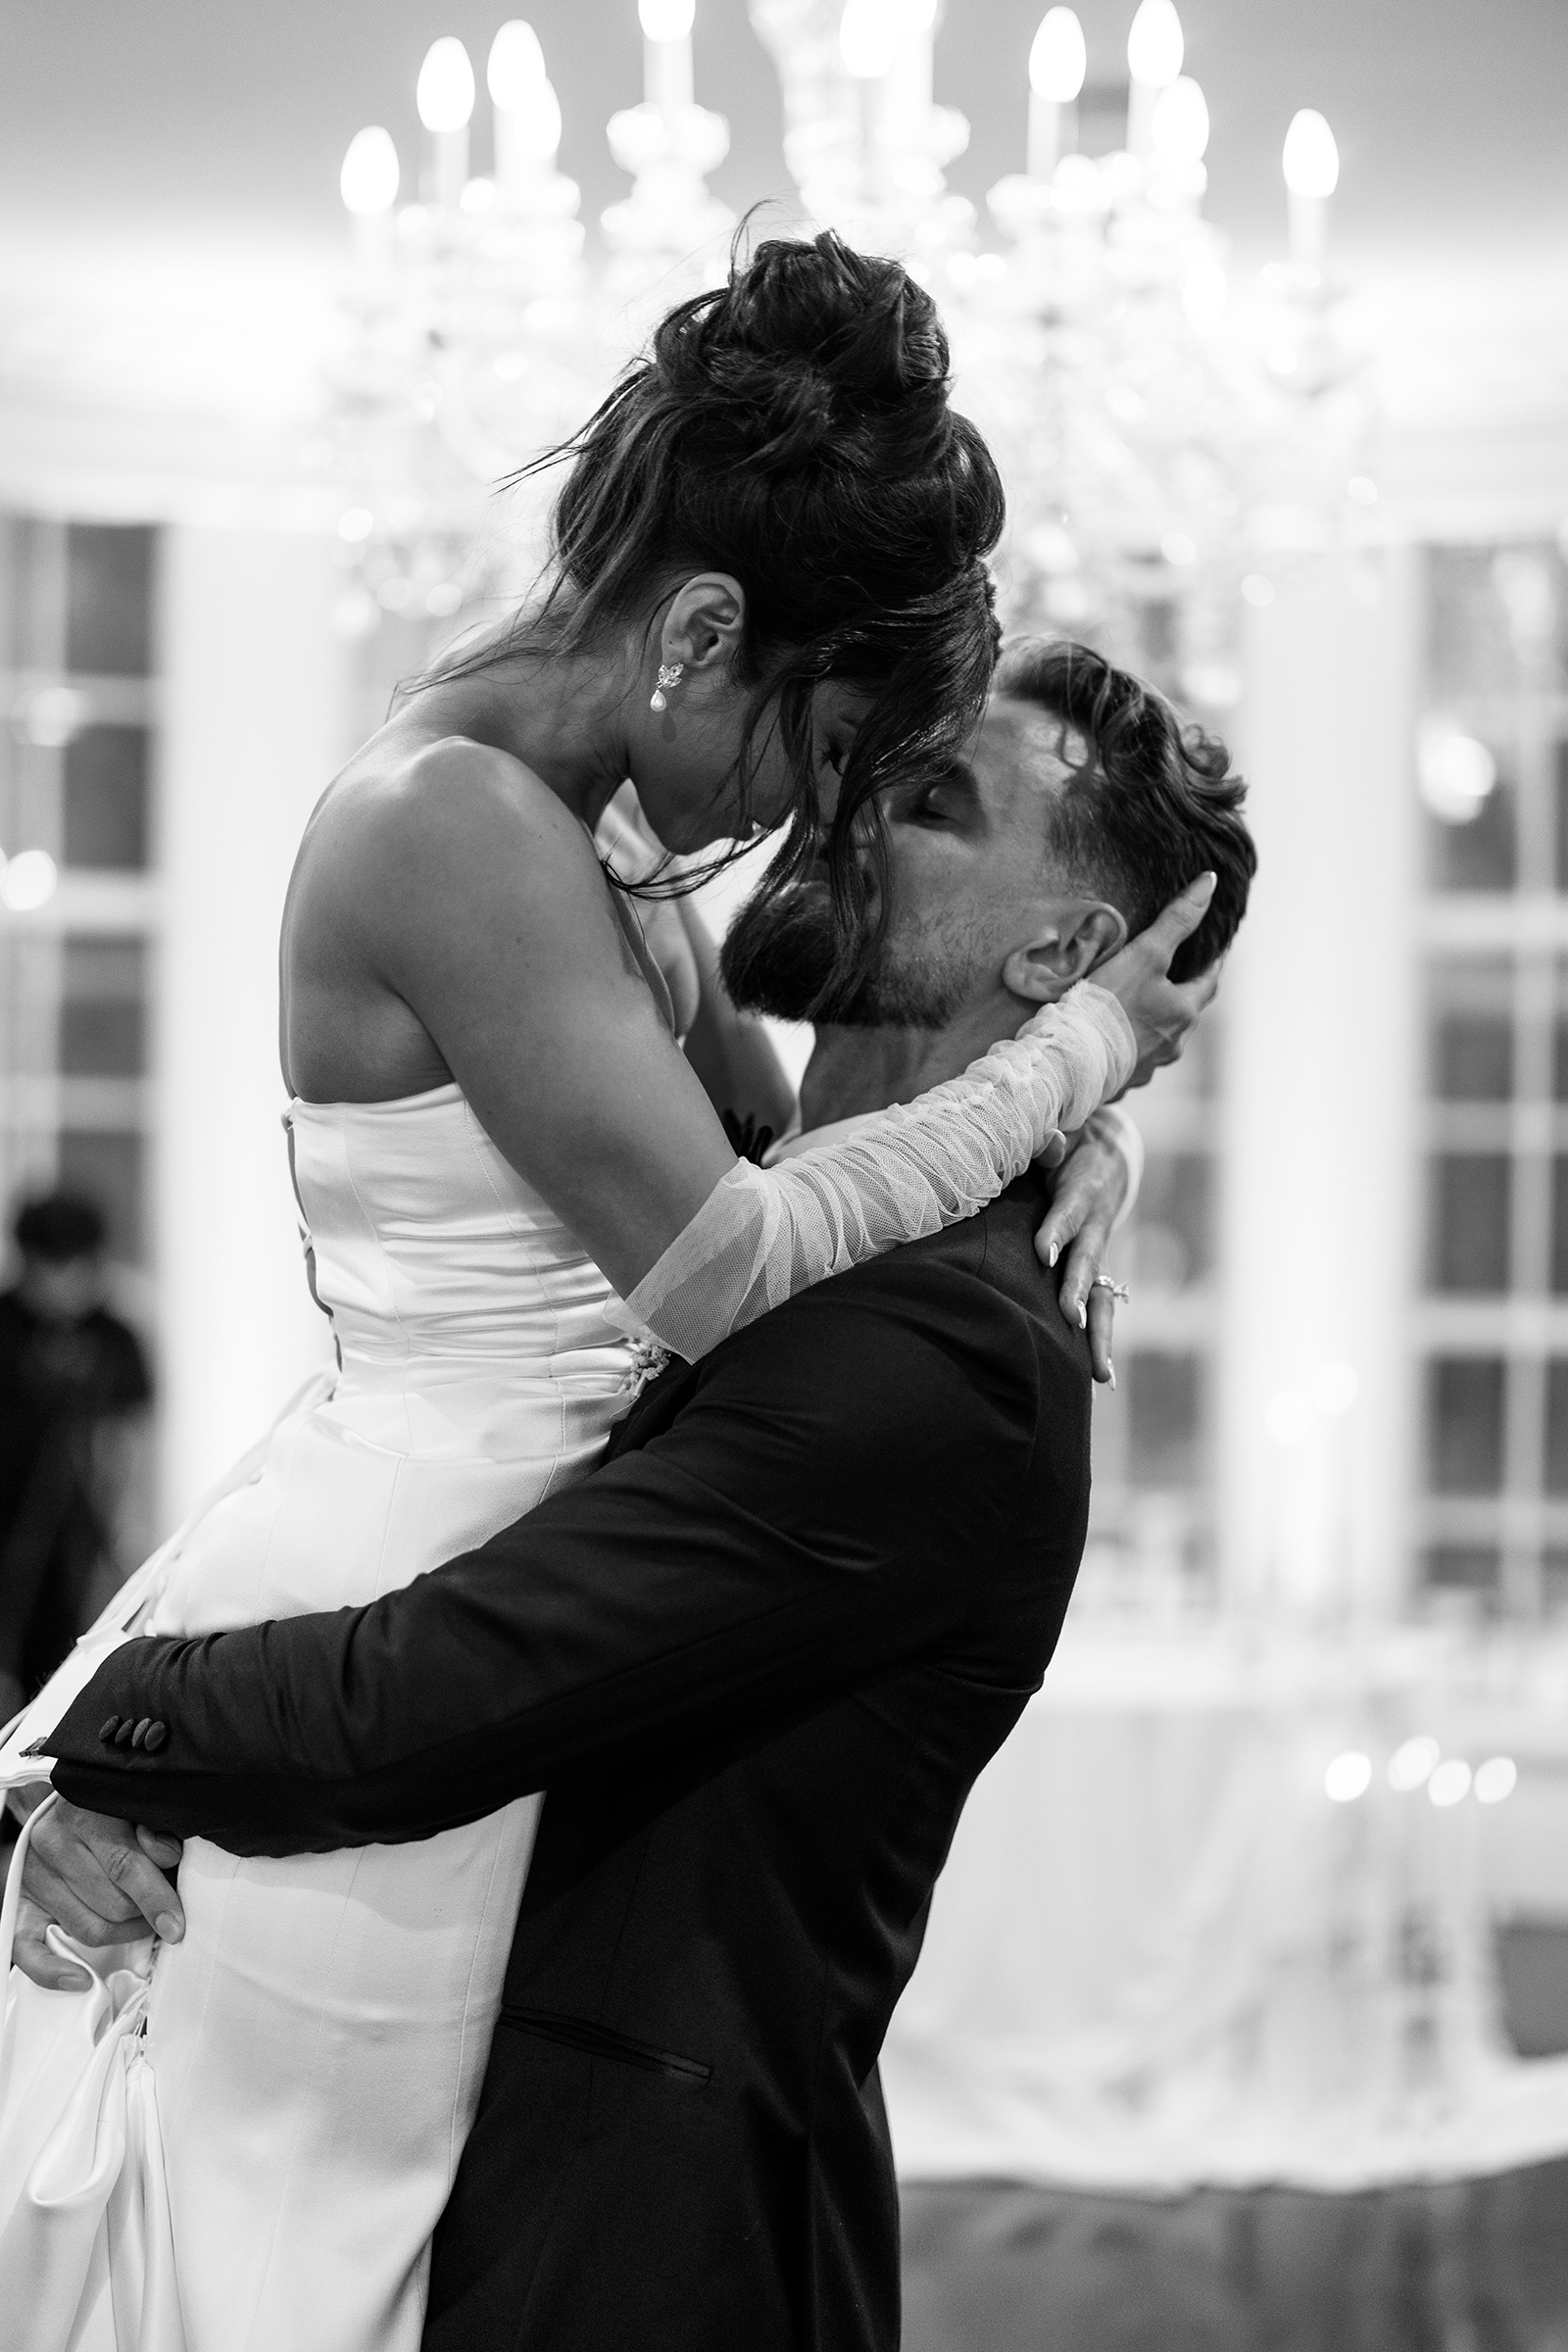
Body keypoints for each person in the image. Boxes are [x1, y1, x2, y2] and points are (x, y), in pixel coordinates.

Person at [0, 231, 1200, 2352]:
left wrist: (1062, 1129)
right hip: (401, 1588)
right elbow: (737, 1257)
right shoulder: (454, 825)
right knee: (288, 2254)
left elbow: (780, 1171)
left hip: (495, 1600)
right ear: (707, 626)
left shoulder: (606, 839)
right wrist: (1072, 1062)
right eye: (828, 753)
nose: (802, 825)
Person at [0, 1193, 151, 1727]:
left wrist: (128, 1549)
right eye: (54, 1268)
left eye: (80, 1267)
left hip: (80, 1554)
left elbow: (131, 1447)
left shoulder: (115, 1338)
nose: (69, 1284)